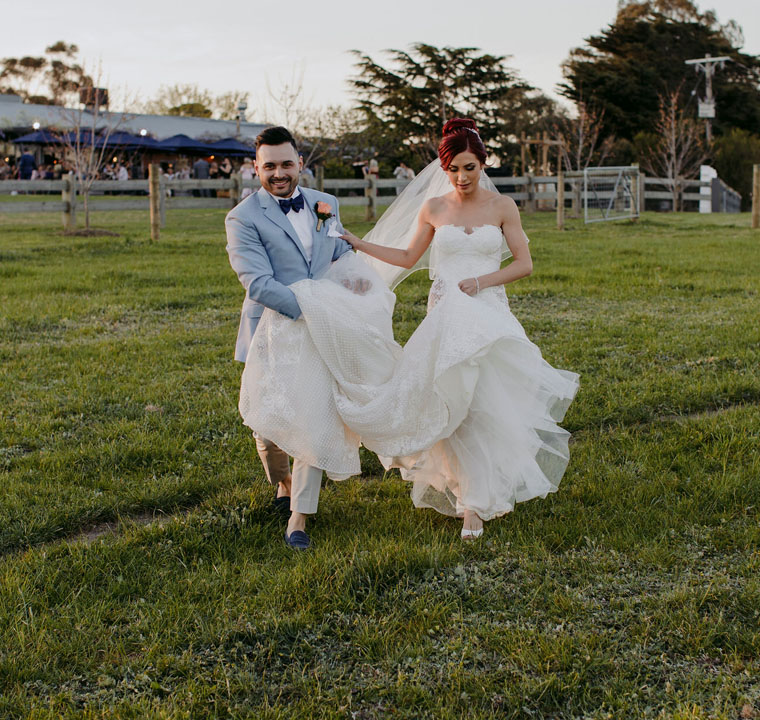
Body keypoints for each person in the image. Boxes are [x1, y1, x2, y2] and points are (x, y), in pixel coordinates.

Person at [240, 119, 578, 541]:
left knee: (479, 403)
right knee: (442, 402)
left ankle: (473, 501)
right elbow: (405, 255)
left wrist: (480, 282)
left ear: (482, 164)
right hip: (434, 316)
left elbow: (523, 264)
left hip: (486, 311)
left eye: (470, 167)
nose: (462, 177)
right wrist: (359, 246)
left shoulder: (502, 206)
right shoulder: (434, 208)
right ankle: (290, 485)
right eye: (454, 169)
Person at [225, 126, 352, 551]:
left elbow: (338, 252)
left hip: (319, 332)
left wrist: (356, 284)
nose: (279, 173)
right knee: (267, 423)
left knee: (311, 416)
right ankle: (281, 481)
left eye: (286, 164)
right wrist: (309, 310)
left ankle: (299, 516)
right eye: (269, 166)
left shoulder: (326, 203)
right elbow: (257, 282)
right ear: (255, 169)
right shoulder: (242, 217)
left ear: (300, 163)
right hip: (271, 327)